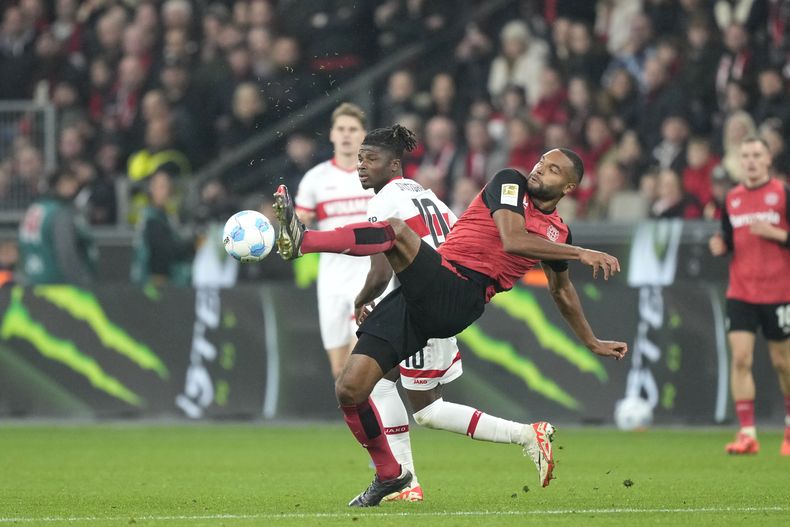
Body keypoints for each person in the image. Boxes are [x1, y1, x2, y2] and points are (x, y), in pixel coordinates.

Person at [273, 141, 627, 507]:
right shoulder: (510, 183)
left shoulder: (561, 235)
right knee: (350, 388)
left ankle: (305, 240)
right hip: (427, 286)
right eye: (540, 161)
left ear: (569, 188)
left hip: (462, 294)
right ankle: (390, 475)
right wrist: (581, 252)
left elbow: (562, 290)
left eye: (553, 169)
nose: (539, 169)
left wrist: (591, 341)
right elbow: (512, 236)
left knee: (395, 230)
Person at [355, 125, 586, 504]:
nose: (361, 166)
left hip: (425, 301)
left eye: (369, 159)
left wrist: (361, 300)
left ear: (392, 165)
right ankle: (405, 480)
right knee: (383, 381)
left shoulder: (385, 200)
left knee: (425, 409)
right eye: (360, 159)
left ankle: (521, 437)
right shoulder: (421, 192)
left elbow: (381, 271)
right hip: (442, 288)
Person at [708, 136, 790, 456]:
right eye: (746, 156)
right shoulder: (732, 198)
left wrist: (777, 234)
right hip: (741, 291)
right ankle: (747, 434)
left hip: (779, 292)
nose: (752, 161)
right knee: (741, 359)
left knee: (783, 363)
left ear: (769, 159)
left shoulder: (783, 193)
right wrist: (721, 246)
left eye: (757, 155)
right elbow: (728, 239)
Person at [293, 103, 374, 380]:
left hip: (369, 277)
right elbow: (298, 225)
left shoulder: (376, 176)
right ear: (331, 134)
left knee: (358, 369)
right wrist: (295, 222)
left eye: (353, 129)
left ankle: (378, 423)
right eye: (341, 129)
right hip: (331, 280)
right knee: (339, 372)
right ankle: (362, 424)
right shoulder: (315, 179)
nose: (346, 135)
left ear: (364, 135)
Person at [17, 168, 96, 286]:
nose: (74, 187)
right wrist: (80, 280)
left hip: (32, 280)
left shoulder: (35, 208)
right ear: (57, 185)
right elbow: (66, 251)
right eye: (68, 183)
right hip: (56, 283)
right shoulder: (60, 212)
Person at [130, 169, 195, 287]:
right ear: (151, 189)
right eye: (161, 187)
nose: (165, 192)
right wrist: (192, 245)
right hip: (154, 281)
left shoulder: (167, 217)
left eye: (167, 187)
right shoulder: (151, 218)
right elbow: (165, 251)